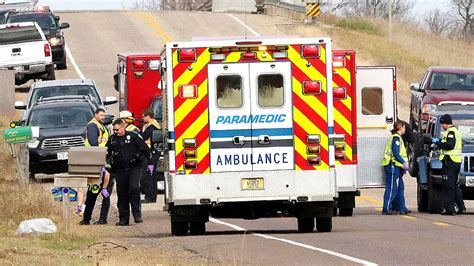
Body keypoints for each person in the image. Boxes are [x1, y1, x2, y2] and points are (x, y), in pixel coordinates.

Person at [107, 118, 150, 226]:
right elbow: (106, 153)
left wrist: (147, 163)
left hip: (134, 167)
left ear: (123, 127)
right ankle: (124, 219)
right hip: (120, 169)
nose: (115, 132)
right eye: (114, 130)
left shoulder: (133, 136)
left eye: (117, 130)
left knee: (134, 188)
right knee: (122, 194)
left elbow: (145, 150)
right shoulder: (112, 139)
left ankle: (137, 215)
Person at [78, 108, 114, 222]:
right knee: (93, 191)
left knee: (105, 191)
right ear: (95, 115)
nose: (103, 117)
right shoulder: (93, 125)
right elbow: (94, 142)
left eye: (104, 115)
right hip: (95, 160)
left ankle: (102, 219)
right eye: (101, 115)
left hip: (103, 159)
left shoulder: (102, 126)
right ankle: (86, 218)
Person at [431, 114, 466, 215]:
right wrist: (438, 141)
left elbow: (449, 145)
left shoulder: (451, 132)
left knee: (448, 186)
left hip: (450, 162)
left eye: (442, 124)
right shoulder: (454, 131)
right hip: (455, 162)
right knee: (454, 186)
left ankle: (449, 209)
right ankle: (461, 207)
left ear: (446, 123)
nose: (442, 126)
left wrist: (438, 144)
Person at [381, 120, 411, 215]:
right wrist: (403, 163)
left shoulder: (398, 138)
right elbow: (396, 153)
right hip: (392, 166)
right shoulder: (396, 139)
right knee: (392, 188)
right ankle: (386, 208)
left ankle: (402, 207)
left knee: (400, 187)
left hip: (397, 167)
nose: (405, 129)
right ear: (401, 127)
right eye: (404, 127)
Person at [140, 108, 161, 204]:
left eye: (144, 116)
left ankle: (150, 197)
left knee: (149, 175)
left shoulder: (152, 126)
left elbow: (144, 137)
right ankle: (151, 196)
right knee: (151, 175)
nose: (142, 118)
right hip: (151, 153)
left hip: (151, 154)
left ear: (148, 116)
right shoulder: (151, 124)